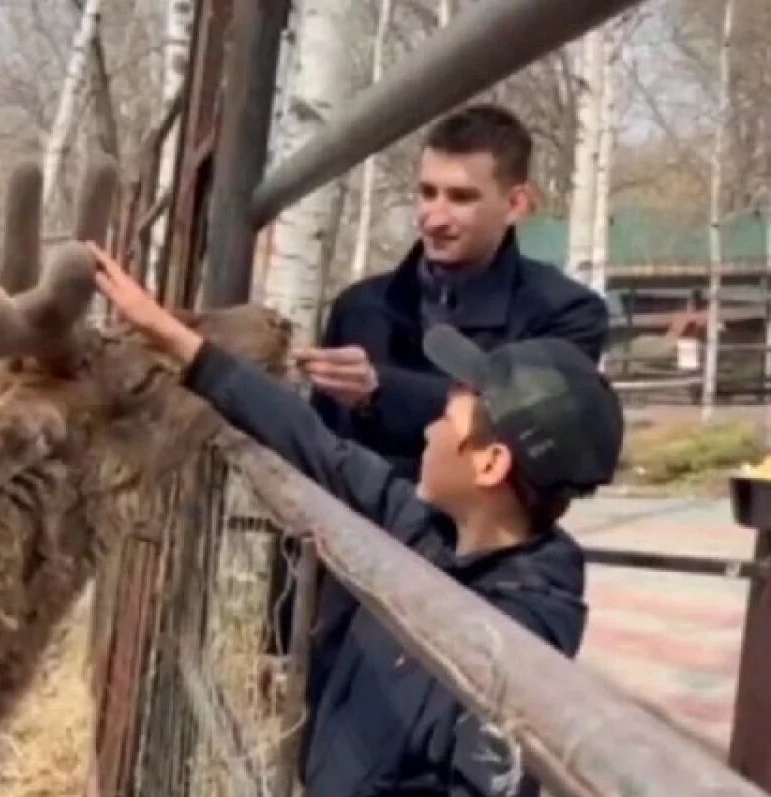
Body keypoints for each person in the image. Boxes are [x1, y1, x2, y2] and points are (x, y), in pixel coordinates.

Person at [91, 242, 624, 797]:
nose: (426, 432)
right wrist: (175, 338)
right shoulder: (423, 527)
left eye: (446, 420)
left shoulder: (514, 649)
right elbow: (314, 443)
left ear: (490, 463)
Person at [301, 103, 609, 482]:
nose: (434, 217)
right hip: (349, 534)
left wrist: (380, 391)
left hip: (483, 537)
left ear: (516, 204)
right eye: (427, 193)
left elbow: (528, 431)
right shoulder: (359, 307)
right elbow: (318, 448)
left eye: (461, 197)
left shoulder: (567, 312)